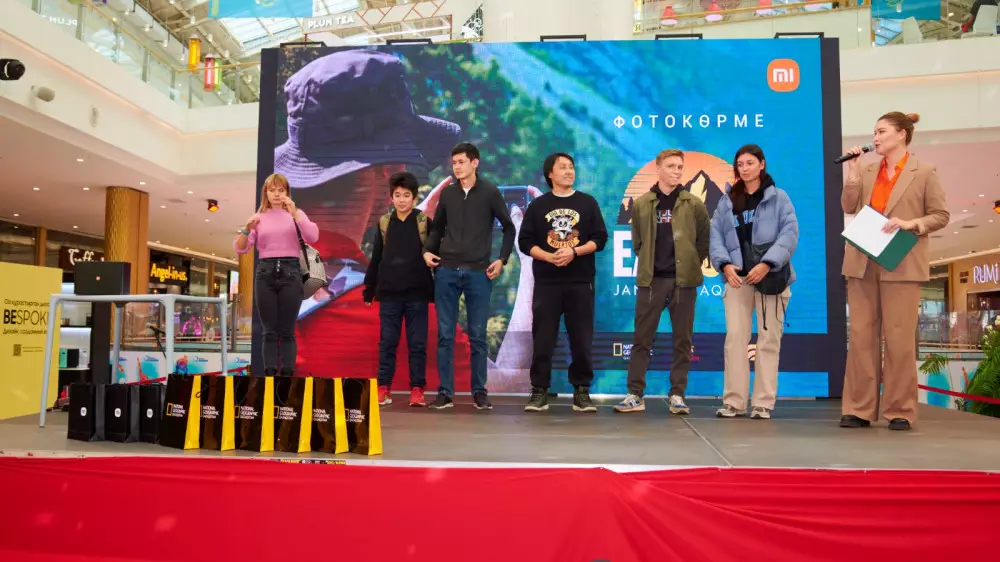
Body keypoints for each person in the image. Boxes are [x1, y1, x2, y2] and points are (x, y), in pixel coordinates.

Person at [840, 112, 948, 431]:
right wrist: (853, 171)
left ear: (902, 134)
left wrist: (912, 223)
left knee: (899, 339)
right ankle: (858, 408)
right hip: (862, 258)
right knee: (861, 336)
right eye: (874, 132)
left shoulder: (924, 171)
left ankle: (900, 409)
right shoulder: (867, 170)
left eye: (881, 131)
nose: (875, 138)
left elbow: (940, 215)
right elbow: (848, 206)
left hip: (901, 260)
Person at [614, 149, 711, 414]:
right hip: (651, 281)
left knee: (683, 341)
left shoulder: (694, 204)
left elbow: (704, 240)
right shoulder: (642, 204)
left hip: (684, 282)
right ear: (658, 168)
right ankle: (635, 394)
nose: (677, 171)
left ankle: (677, 395)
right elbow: (638, 243)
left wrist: (690, 262)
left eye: (680, 167)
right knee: (641, 340)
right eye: (671, 166)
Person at [423, 142, 516, 410]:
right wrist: (427, 251)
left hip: (478, 272)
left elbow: (509, 228)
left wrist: (502, 259)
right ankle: (445, 393)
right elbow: (437, 228)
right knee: (445, 335)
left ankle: (479, 391)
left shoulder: (490, 192)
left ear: (475, 163)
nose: (457, 167)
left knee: (477, 335)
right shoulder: (448, 194)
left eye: (461, 162)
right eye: (454, 162)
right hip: (446, 271)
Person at [709, 144, 799, 420]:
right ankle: (734, 402)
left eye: (750, 163)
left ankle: (763, 403)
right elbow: (715, 236)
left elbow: (790, 234)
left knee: (768, 340)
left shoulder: (779, 198)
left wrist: (767, 263)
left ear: (762, 164)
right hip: (738, 280)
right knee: (735, 339)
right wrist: (725, 265)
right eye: (740, 164)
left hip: (771, 279)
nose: (745, 168)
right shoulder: (726, 201)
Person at [518, 153, 608, 412]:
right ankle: (539, 391)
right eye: (563, 167)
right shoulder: (538, 205)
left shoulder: (587, 202)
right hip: (547, 283)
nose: (569, 171)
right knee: (543, 339)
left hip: (580, 282)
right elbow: (525, 242)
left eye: (571, 167)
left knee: (581, 339)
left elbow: (600, 238)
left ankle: (581, 391)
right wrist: (548, 256)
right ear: (550, 174)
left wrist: (574, 252)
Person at [235, 173, 319, 377]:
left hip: (291, 271)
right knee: (269, 330)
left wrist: (295, 213)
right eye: (272, 190)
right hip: (265, 272)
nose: (276, 194)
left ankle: (288, 376)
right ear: (265, 193)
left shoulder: (296, 214)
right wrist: (246, 229)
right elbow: (241, 248)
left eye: (281, 190)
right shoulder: (259, 217)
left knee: (287, 330)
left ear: (287, 192)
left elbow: (313, 236)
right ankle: (270, 376)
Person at [363, 172, 435, 407]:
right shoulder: (384, 223)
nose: (402, 200)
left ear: (414, 198)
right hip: (389, 294)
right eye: (397, 195)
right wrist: (369, 289)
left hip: (418, 294)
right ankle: (383, 388)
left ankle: (417, 389)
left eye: (406, 195)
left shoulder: (424, 222)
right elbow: (376, 258)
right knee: (387, 343)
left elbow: (435, 258)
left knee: (417, 344)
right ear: (391, 197)